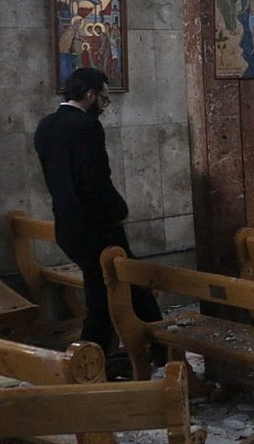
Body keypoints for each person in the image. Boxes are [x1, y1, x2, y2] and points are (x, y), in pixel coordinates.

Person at [34, 68, 163, 365]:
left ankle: (101, 355)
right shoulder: (85, 127)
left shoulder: (46, 126)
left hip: (68, 225)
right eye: (103, 99)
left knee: (110, 290)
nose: (104, 107)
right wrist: (118, 211)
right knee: (117, 289)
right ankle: (151, 352)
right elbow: (95, 180)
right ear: (89, 95)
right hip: (97, 227)